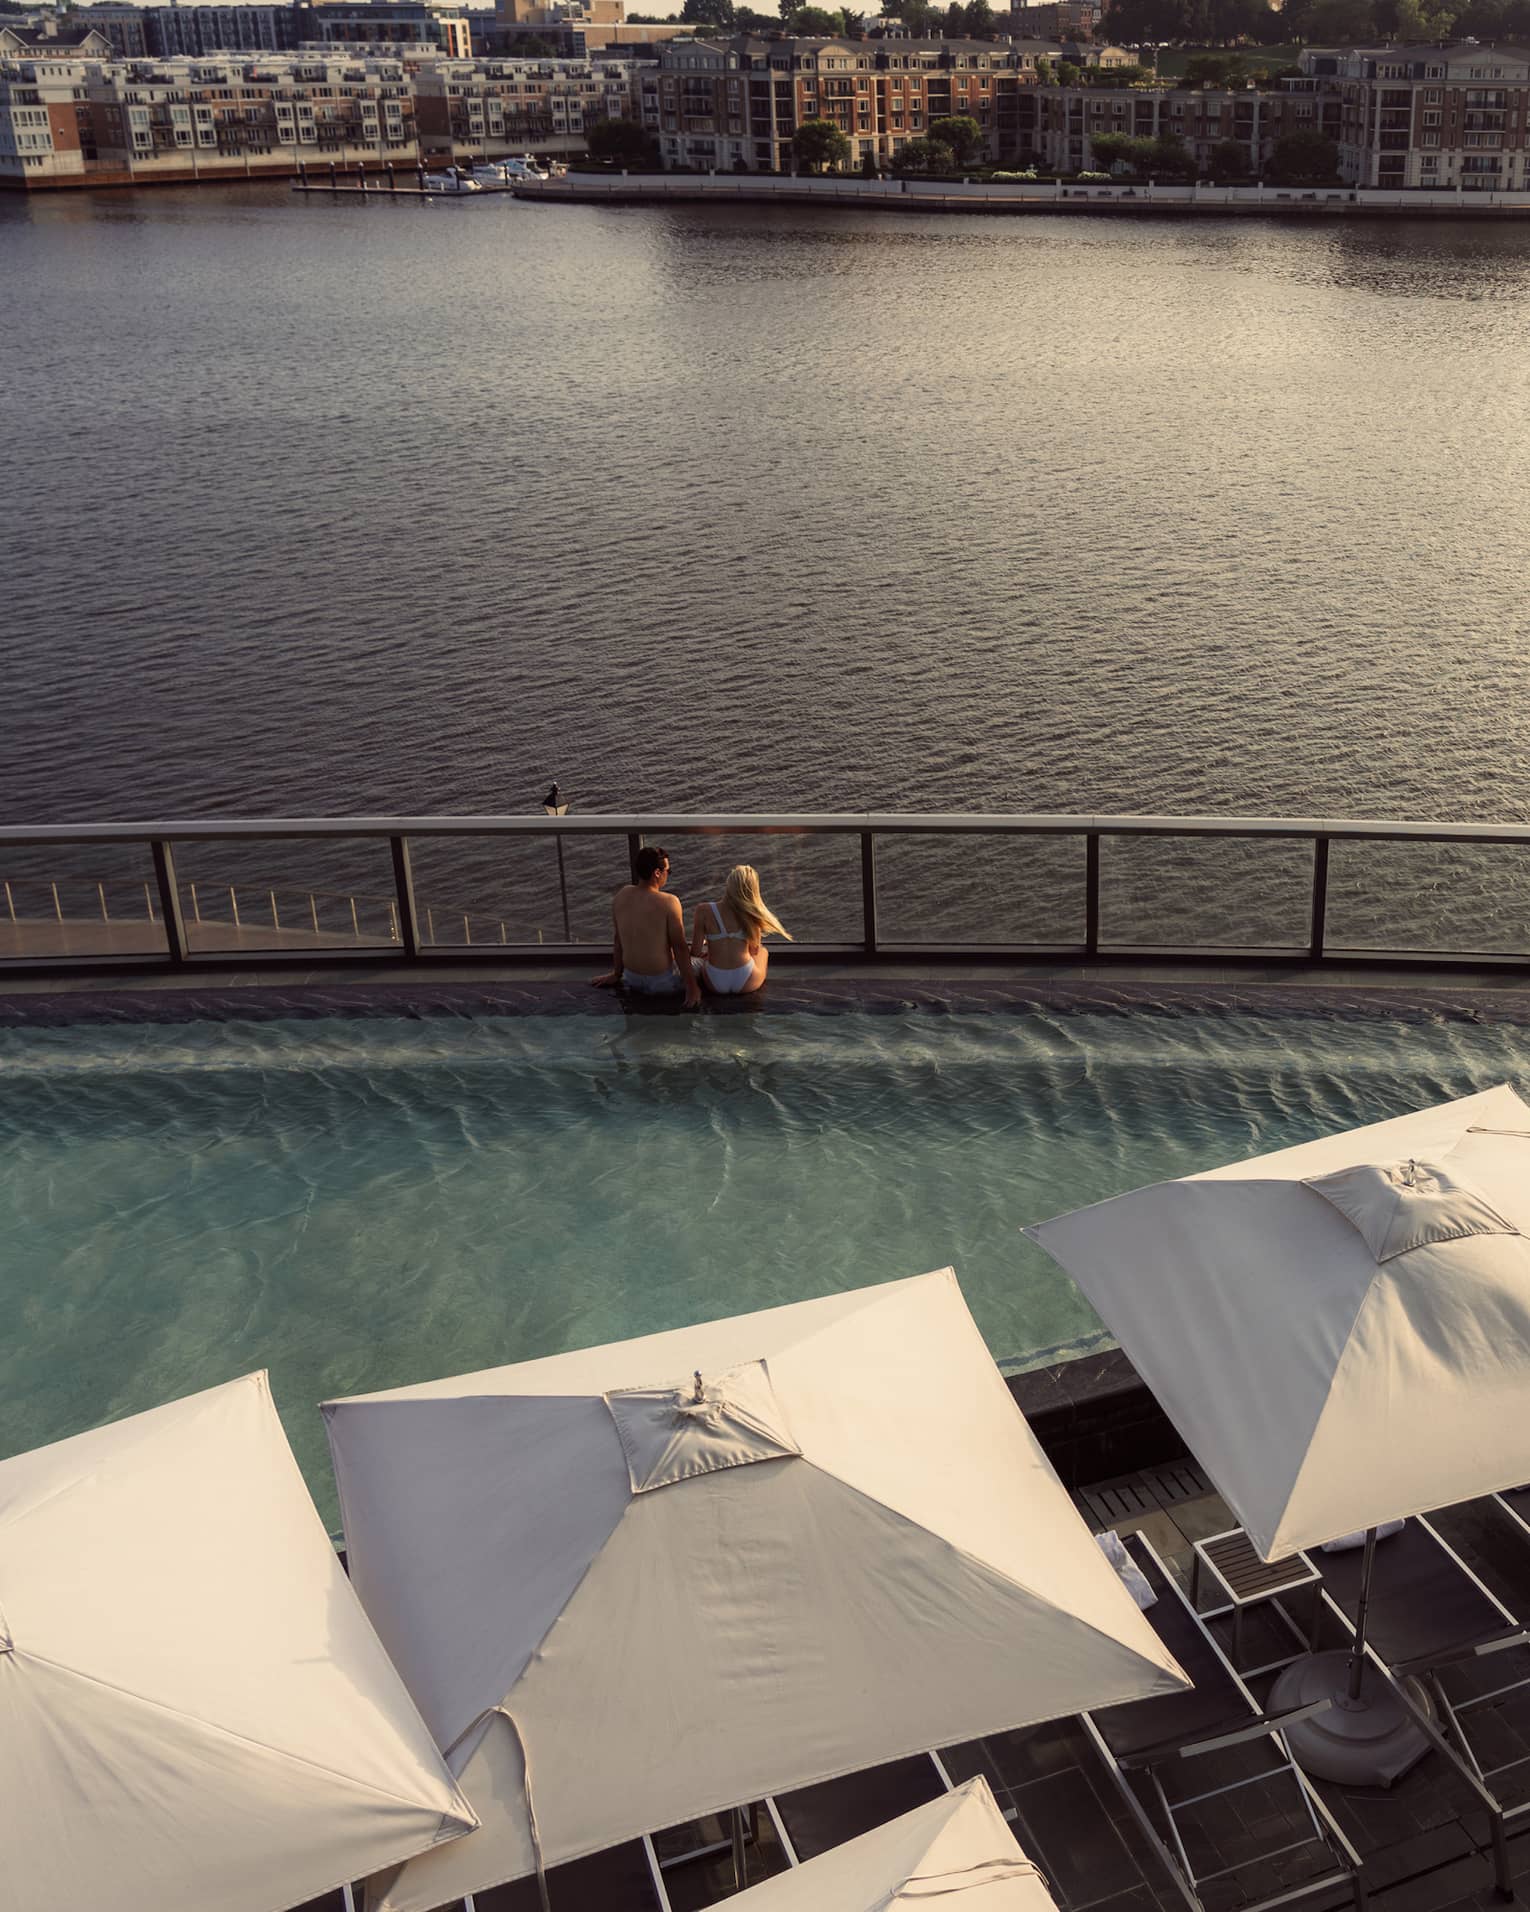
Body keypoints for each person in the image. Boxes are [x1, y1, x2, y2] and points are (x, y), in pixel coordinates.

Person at [592, 846, 701, 1008]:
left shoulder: (622, 895)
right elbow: (680, 948)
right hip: (663, 983)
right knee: (706, 963)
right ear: (657, 873)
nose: (667, 875)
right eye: (667, 871)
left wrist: (616, 974)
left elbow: (618, 940)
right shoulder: (669, 902)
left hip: (632, 979)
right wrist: (692, 987)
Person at [690, 864, 791, 996]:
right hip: (746, 979)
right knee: (763, 952)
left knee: (705, 962)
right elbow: (754, 950)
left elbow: (696, 952)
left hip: (715, 981)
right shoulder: (751, 913)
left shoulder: (703, 910)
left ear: (729, 884)